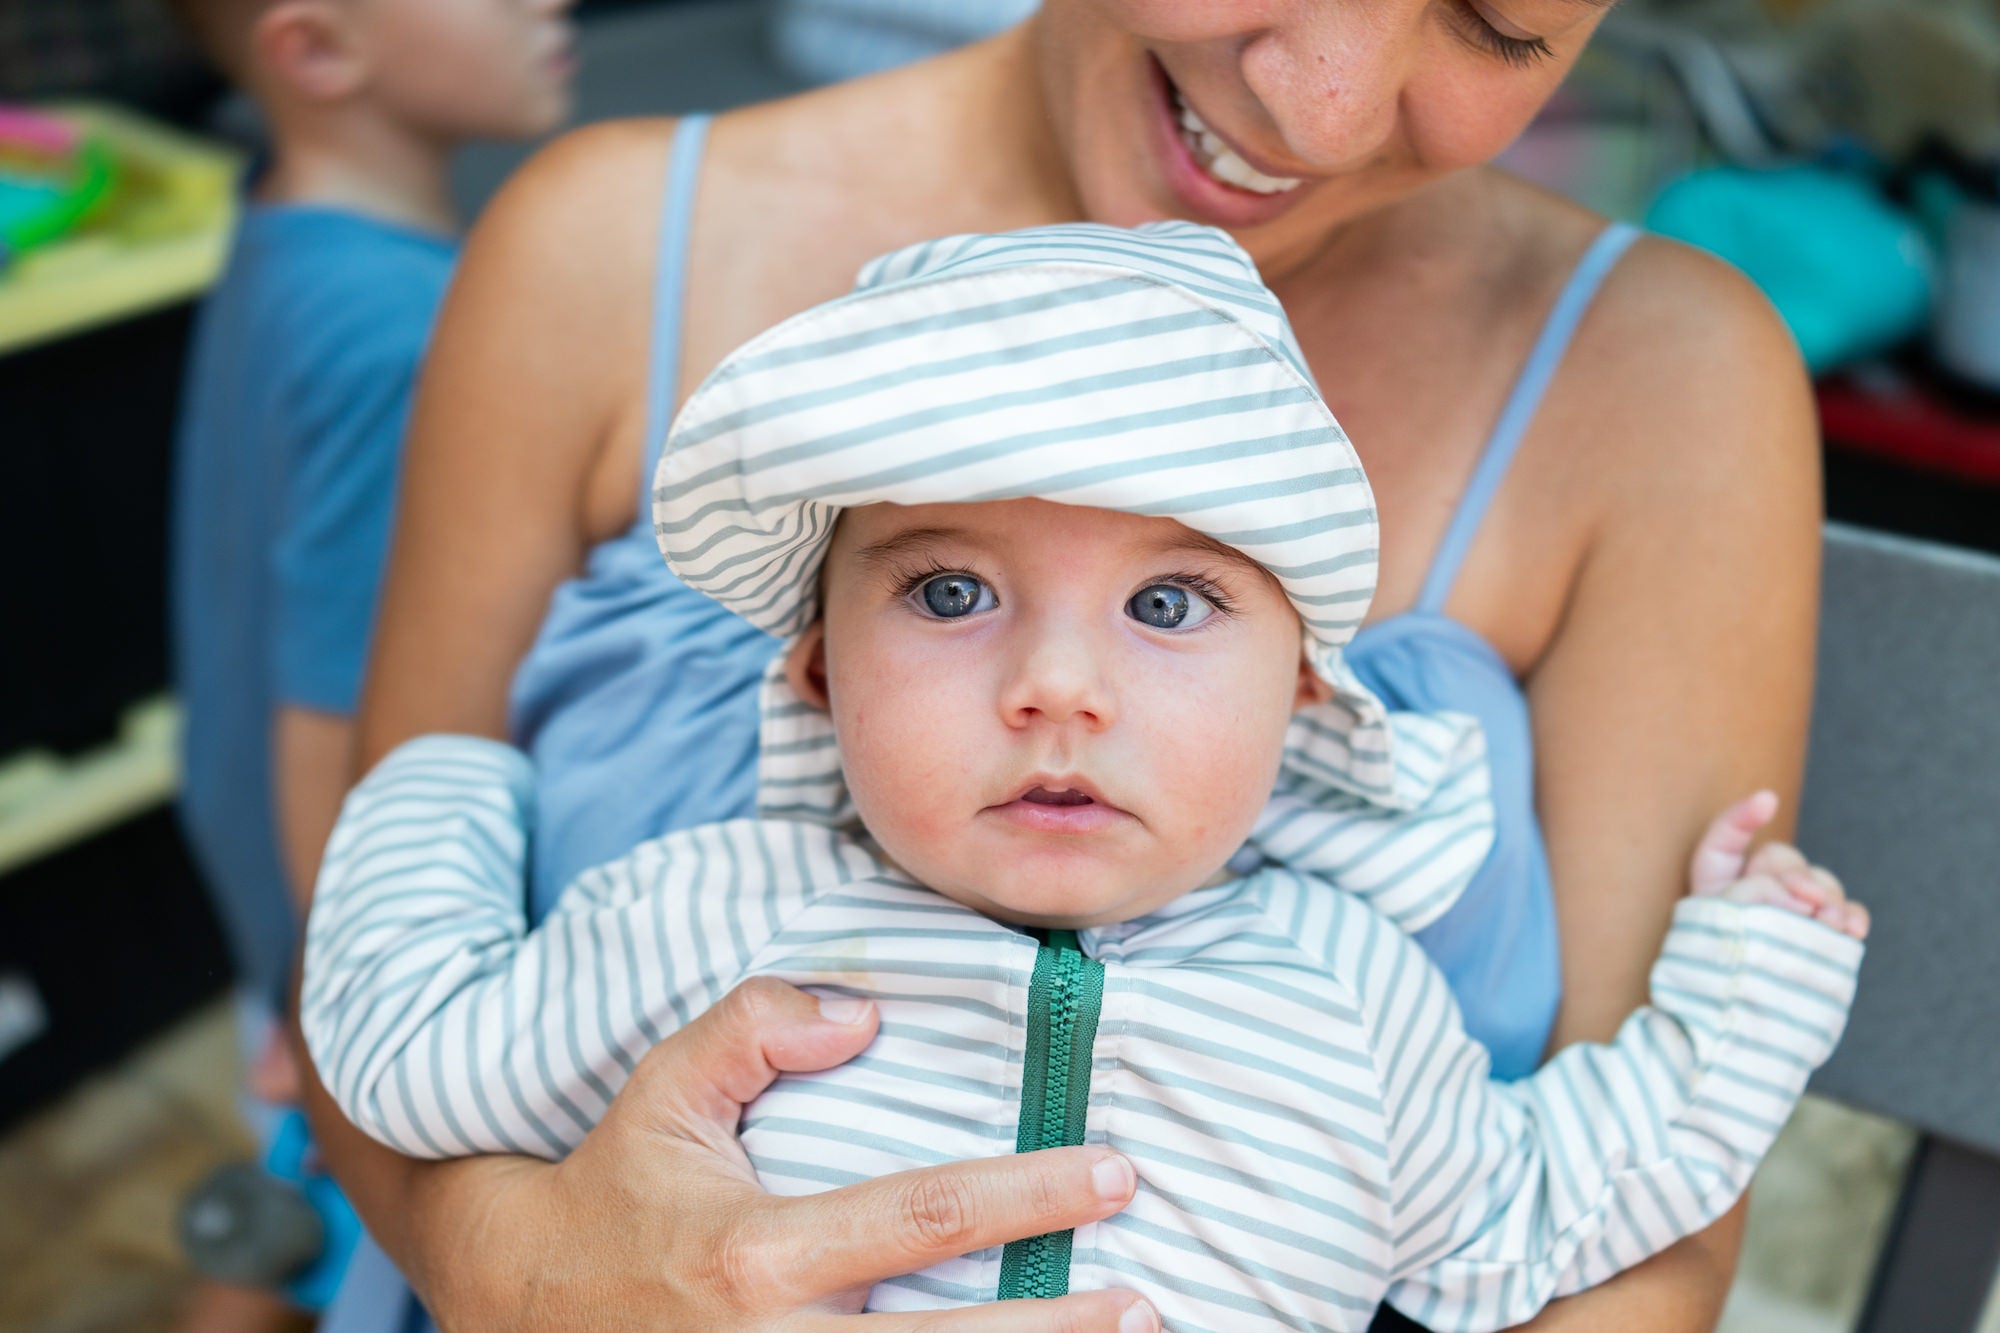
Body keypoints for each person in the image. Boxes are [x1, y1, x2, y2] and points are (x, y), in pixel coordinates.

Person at [309, 4, 1829, 1330]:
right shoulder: (703, 916)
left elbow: (1567, 1214)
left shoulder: (1351, 1000)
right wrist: (520, 1280)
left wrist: (1752, 985)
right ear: (815, 669)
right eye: (952, 589)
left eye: (1499, 20)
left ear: (1314, 694)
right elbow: (394, 1026)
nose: (1327, 100)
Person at [165, 0, 574, 1326]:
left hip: (268, 913)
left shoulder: (285, 232)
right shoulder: (402, 335)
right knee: (330, 1236)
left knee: (282, 1230)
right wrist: (345, 1012)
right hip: (337, 946)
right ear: (319, 52)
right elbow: (326, 717)